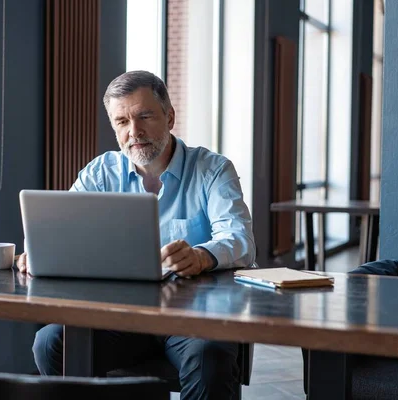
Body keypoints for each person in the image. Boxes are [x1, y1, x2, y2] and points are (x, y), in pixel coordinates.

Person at [17, 70, 256, 399]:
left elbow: (240, 240)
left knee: (208, 357)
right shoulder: (101, 172)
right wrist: (38, 252)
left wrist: (202, 256)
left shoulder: (212, 169)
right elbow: (58, 227)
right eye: (122, 122)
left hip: (194, 316)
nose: (134, 132)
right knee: (49, 343)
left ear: (169, 117)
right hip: (119, 316)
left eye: (145, 116)